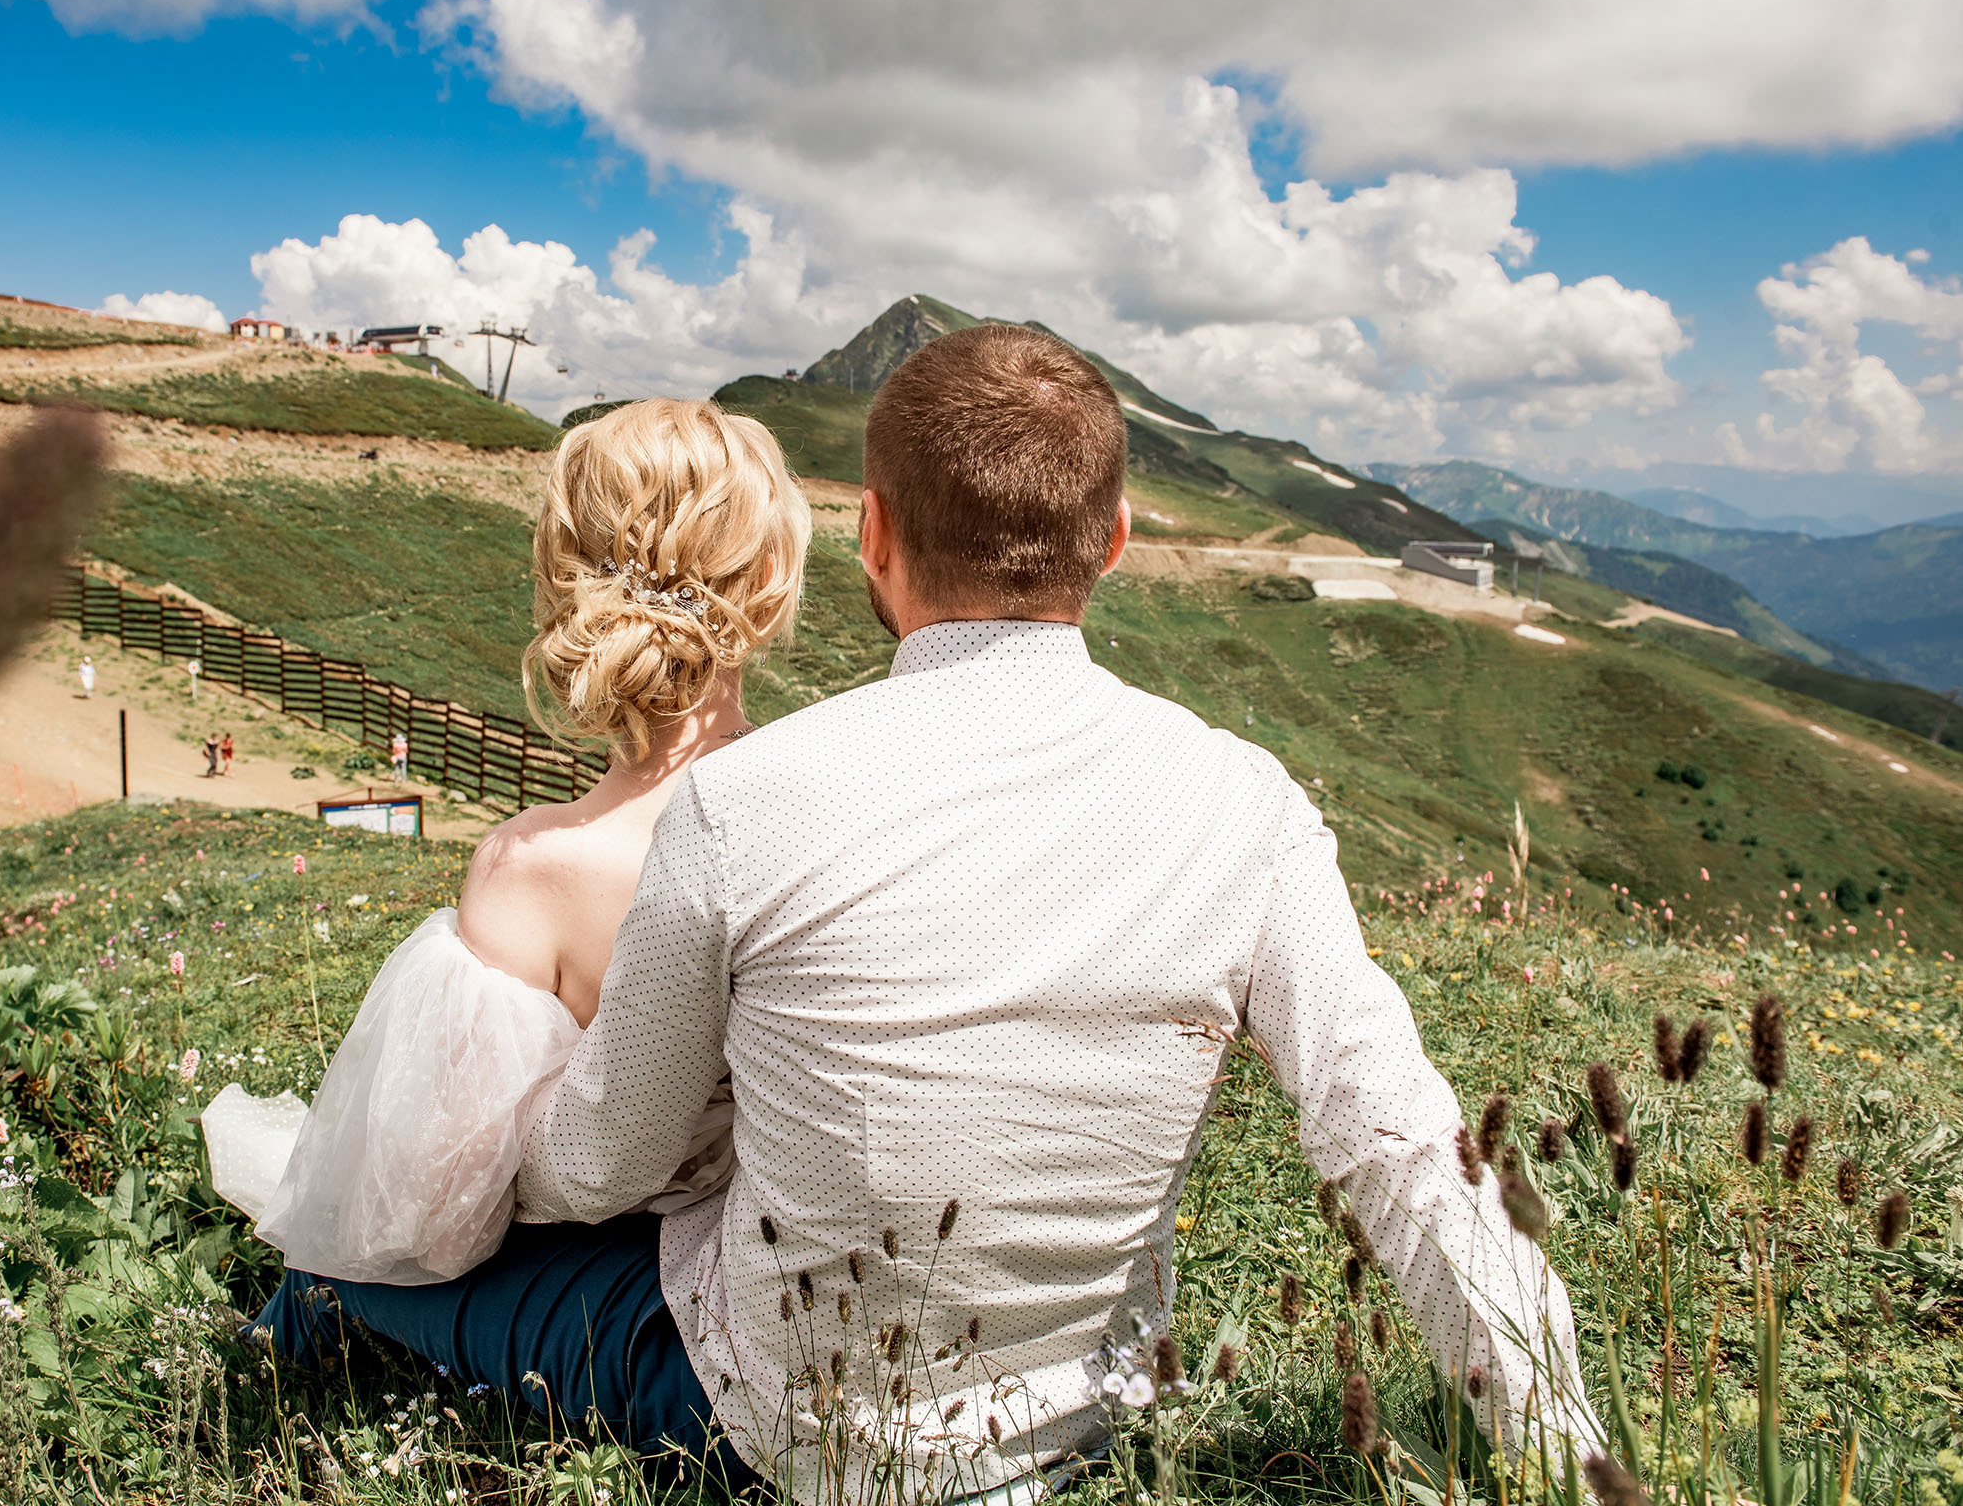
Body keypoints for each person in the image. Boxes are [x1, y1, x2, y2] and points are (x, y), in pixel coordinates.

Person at [255, 328, 1603, 1502]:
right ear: (1115, 539)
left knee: (358, 1269)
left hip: (803, 1440)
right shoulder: (1244, 805)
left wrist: (472, 1167)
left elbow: (607, 1166)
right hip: (1093, 1419)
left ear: (875, 539)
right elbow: (1403, 1144)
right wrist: (1562, 1456)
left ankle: (283, 1338)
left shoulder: (745, 808)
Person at [225, 399, 811, 1479]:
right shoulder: (831, 811)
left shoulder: (536, 870)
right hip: (810, 1275)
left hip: (660, 1296)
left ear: (564, 583)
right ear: (769, 592)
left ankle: (249, 1388)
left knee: (342, 1252)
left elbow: (433, 1206)